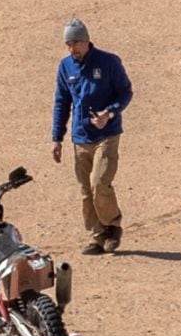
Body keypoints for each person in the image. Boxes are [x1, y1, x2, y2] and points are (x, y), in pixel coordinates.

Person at [51, 18, 133, 255]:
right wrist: (57, 138)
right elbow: (62, 102)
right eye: (68, 43)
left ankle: (113, 226)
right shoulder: (65, 67)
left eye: (76, 42)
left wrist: (109, 113)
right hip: (80, 137)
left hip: (107, 134)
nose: (72, 48)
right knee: (86, 191)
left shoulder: (108, 62)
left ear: (86, 41)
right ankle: (98, 236)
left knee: (100, 183)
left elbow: (125, 91)